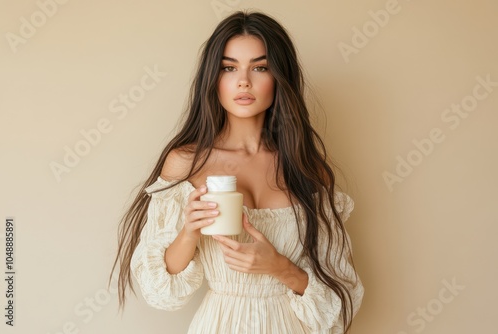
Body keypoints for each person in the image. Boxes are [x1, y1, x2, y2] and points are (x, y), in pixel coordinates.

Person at [110, 10, 364, 333]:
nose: (244, 81)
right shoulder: (187, 163)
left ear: (279, 78)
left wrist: (279, 267)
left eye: (260, 67)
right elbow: (160, 290)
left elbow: (340, 305)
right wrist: (188, 231)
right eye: (229, 68)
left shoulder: (307, 170)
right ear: (213, 80)